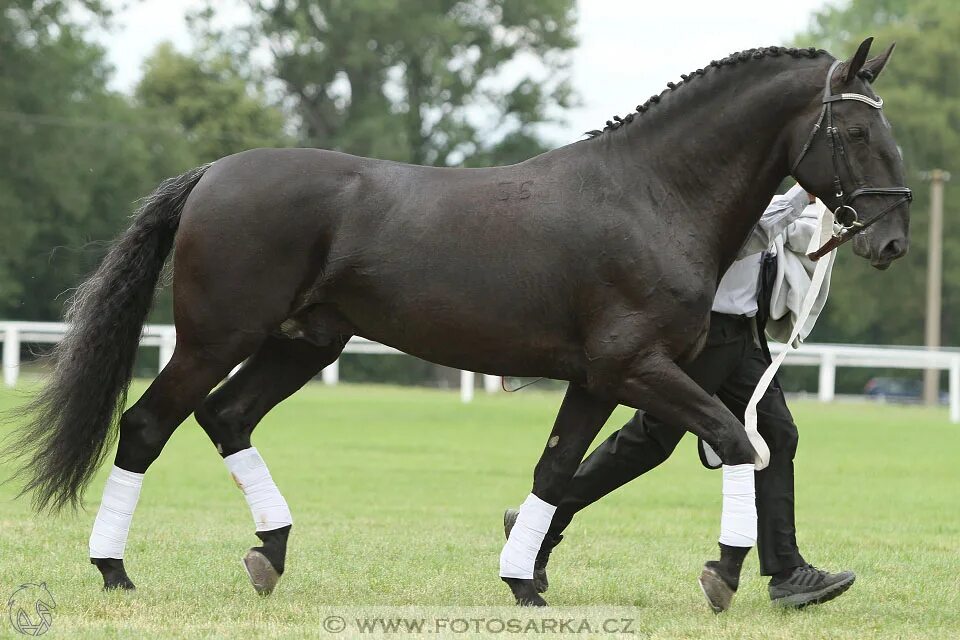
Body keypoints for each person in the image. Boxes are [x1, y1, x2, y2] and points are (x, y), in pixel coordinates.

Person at [505, 184, 854, 611]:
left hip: (743, 333)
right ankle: (539, 525)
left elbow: (789, 237)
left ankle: (786, 571)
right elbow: (750, 234)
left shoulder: (761, 176)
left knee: (776, 434)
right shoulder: (720, 186)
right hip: (702, 333)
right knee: (649, 440)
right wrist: (803, 194)